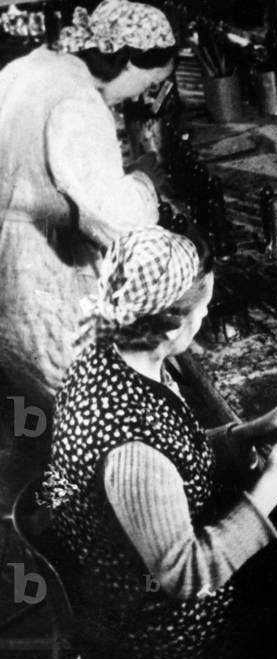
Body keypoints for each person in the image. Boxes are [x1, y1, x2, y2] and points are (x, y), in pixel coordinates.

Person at [39, 227, 277, 659]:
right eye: (203, 307)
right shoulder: (131, 450)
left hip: (132, 577)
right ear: (170, 327)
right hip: (171, 629)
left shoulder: (111, 356)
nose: (208, 314)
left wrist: (251, 430)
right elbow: (185, 574)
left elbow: (175, 456)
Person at [0, 0, 177, 413]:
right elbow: (116, 222)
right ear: (129, 63)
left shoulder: (25, 69)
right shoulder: (77, 102)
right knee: (88, 409)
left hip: (9, 271)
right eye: (151, 82)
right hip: (43, 280)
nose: (144, 95)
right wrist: (145, 181)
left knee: (35, 406)